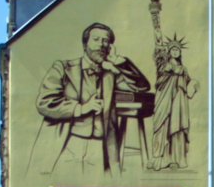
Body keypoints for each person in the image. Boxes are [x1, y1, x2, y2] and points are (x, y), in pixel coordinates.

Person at [27, 22, 151, 175]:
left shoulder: (110, 74)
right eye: (96, 39)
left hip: (100, 149)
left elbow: (142, 87)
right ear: (85, 44)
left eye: (106, 41)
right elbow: (44, 103)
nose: (101, 45)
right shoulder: (64, 68)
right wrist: (81, 108)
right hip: (67, 145)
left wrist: (121, 63)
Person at [148, 0, 199, 170]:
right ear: (168, 51)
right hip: (164, 100)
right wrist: (155, 14)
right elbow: (158, 37)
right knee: (161, 127)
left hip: (179, 103)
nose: (176, 51)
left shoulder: (183, 69)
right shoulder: (163, 62)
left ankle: (176, 159)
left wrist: (193, 88)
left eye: (178, 50)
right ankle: (158, 159)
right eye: (173, 49)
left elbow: (187, 89)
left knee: (177, 130)